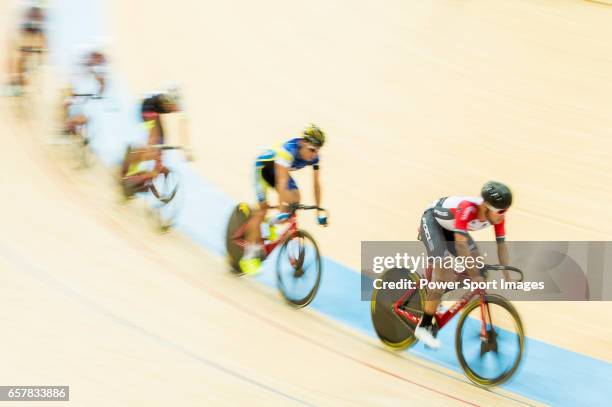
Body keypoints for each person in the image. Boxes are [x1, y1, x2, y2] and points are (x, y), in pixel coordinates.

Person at [415, 181, 513, 349]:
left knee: (480, 270)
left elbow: (501, 245)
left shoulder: (497, 218)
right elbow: (461, 245)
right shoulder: (467, 208)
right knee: (445, 272)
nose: (503, 216)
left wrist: (507, 275)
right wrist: (474, 275)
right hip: (433, 221)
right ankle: (423, 326)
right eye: (501, 211)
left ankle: (434, 293)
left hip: (453, 229)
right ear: (486, 207)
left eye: (506, 211)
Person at [239, 124, 328, 275]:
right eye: (312, 150)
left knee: (296, 198)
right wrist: (281, 208)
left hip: (279, 172)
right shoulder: (288, 152)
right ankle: (249, 256)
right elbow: (281, 183)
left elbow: (316, 184)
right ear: (302, 143)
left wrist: (318, 210)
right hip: (263, 169)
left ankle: (273, 223)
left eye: (317, 151)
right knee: (262, 211)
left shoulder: (314, 158)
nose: (314, 155)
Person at [120, 86, 184, 198]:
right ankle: (133, 159)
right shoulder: (155, 105)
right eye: (171, 106)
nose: (173, 108)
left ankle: (140, 160)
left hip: (154, 111)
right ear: (166, 102)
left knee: (161, 141)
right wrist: (152, 147)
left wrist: (186, 147)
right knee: (155, 143)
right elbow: (153, 132)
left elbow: (183, 123)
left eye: (173, 106)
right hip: (147, 110)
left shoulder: (174, 105)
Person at [63, 45, 108, 138]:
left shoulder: (97, 73)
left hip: (90, 102)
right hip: (83, 102)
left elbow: (102, 86)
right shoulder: (81, 74)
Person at [7, 1, 47, 95]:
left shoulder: (42, 38)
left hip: (34, 86)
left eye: (38, 18)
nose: (36, 21)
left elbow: (43, 59)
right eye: (33, 17)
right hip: (16, 84)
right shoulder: (15, 36)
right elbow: (13, 61)